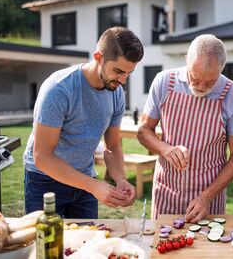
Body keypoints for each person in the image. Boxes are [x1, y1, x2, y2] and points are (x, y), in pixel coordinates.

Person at [23, 27, 144, 218]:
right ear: (98, 57)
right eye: (118, 71)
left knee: (88, 243)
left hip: (85, 179)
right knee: (49, 245)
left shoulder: (116, 92)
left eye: (128, 74)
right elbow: (42, 156)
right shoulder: (59, 89)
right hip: (45, 180)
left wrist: (120, 179)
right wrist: (94, 186)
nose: (122, 80)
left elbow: (112, 146)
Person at [138, 34, 233, 222]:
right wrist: (165, 149)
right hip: (166, 189)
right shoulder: (164, 82)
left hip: (210, 196)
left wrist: (207, 197)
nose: (202, 87)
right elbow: (143, 131)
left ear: (221, 70)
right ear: (187, 62)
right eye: (195, 78)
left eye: (210, 82)